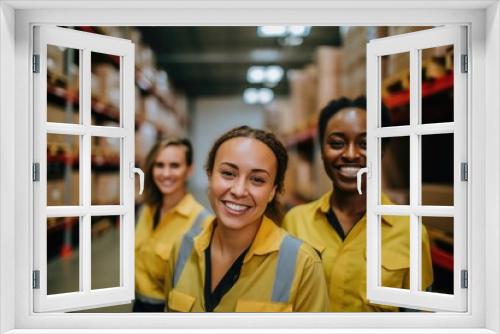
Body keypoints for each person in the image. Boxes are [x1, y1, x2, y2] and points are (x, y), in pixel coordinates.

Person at [153, 126, 328, 312]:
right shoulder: (182, 249)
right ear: (210, 176)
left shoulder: (303, 264)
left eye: (257, 180)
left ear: (272, 192)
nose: (238, 190)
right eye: (228, 173)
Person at [282, 97, 433, 312]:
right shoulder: (295, 221)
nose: (351, 154)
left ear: (381, 152)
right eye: (337, 143)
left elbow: (418, 318)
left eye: (366, 144)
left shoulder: (410, 232)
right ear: (322, 152)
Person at [134, 138, 212, 312]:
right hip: (138, 305)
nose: (166, 173)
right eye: (159, 165)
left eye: (175, 166)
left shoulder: (202, 222)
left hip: (167, 312)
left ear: (189, 170)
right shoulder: (146, 210)